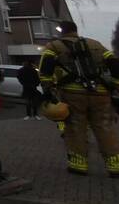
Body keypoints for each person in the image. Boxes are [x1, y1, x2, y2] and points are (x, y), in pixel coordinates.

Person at [38, 20, 119, 177]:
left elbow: (45, 69)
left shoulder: (54, 46)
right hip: (100, 94)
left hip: (73, 94)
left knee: (75, 128)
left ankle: (79, 164)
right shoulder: (96, 44)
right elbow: (114, 65)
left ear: (62, 31)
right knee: (104, 128)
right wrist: (115, 87)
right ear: (75, 30)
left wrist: (47, 89)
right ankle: (115, 165)